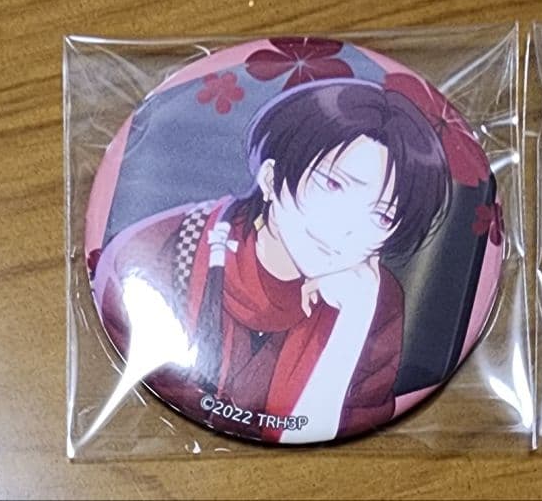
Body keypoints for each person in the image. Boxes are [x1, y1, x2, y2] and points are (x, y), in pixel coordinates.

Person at [94, 79, 451, 443]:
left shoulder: (374, 300)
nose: (346, 229)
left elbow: (330, 432)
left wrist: (353, 324)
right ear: (270, 176)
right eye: (333, 185)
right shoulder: (158, 253)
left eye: (382, 217)